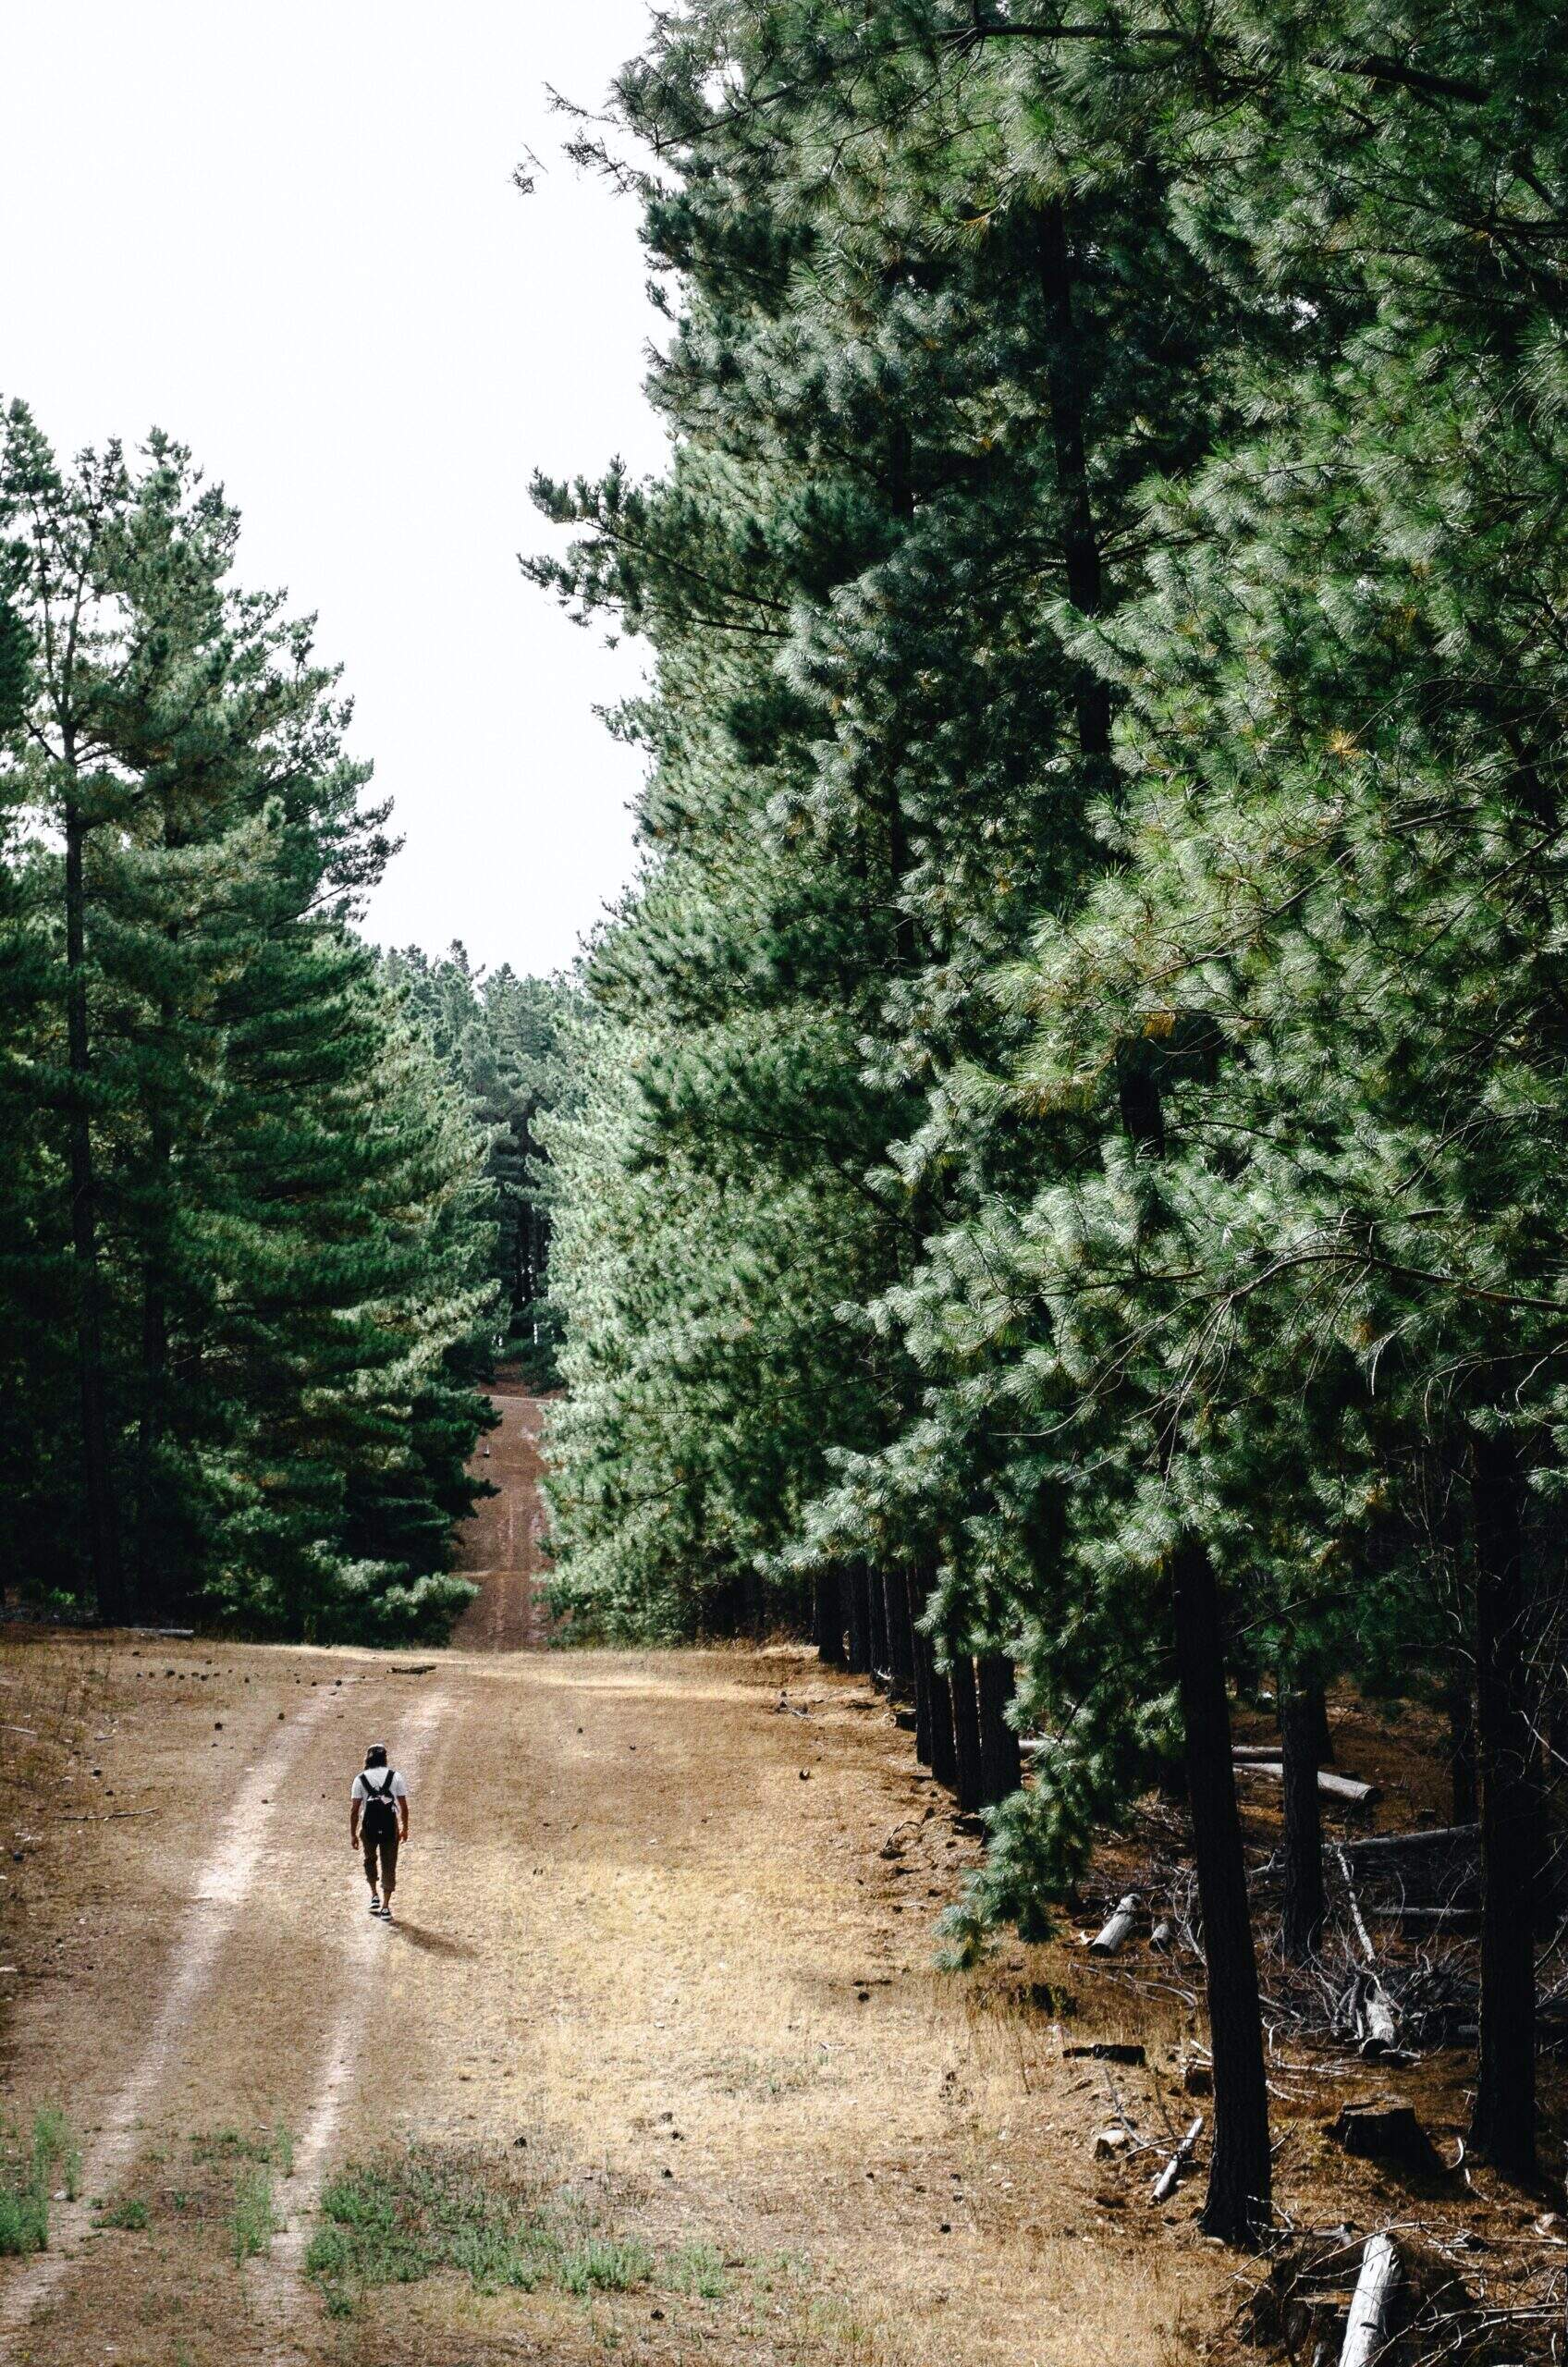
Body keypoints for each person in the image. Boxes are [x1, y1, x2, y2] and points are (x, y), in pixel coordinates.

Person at [349, 1743, 409, 1921]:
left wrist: (353, 1833)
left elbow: (354, 1810)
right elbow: (404, 1806)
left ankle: (374, 1894)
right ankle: (385, 1906)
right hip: (390, 1826)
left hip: (368, 1826)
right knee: (389, 1863)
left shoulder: (360, 1779)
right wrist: (404, 1827)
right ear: (385, 1759)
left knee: (370, 1859)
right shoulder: (395, 1777)